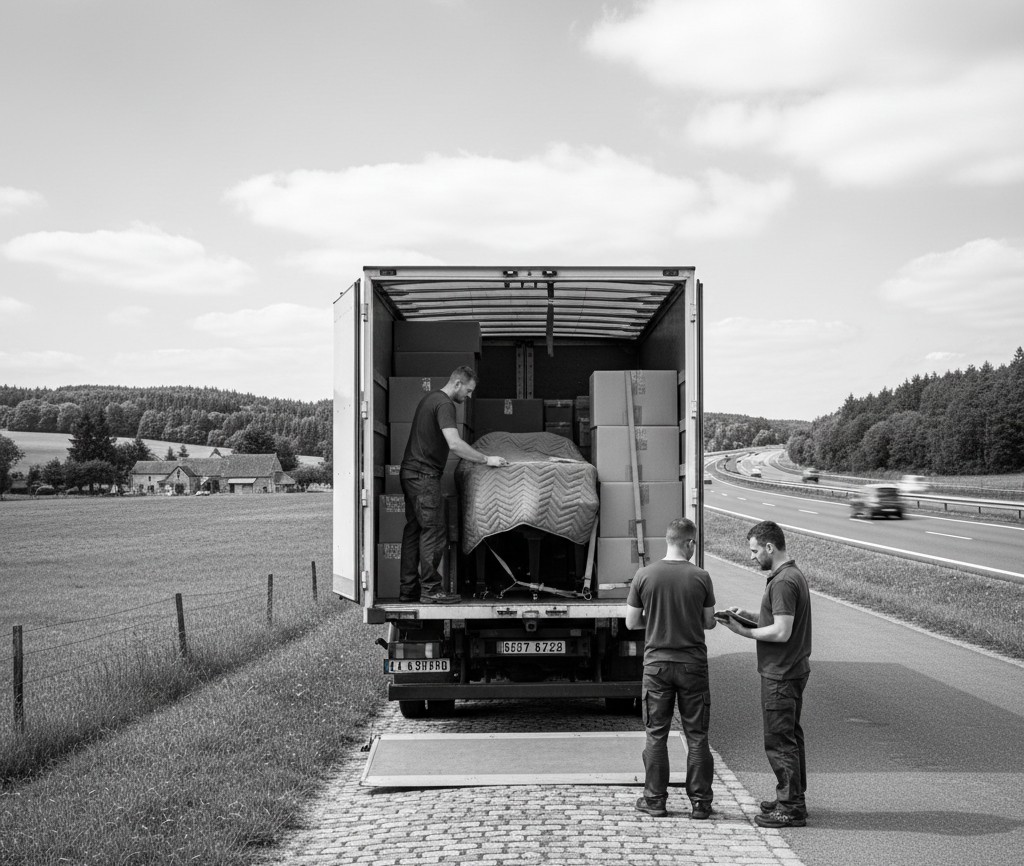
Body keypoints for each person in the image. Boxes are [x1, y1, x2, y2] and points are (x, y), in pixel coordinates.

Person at [721, 520, 812, 828]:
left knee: (779, 741)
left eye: (754, 550)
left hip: (781, 672)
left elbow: (782, 631)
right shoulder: (790, 575)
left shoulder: (784, 581)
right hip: (792, 669)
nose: (751, 557)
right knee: (790, 736)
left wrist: (743, 632)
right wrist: (749, 615)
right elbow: (778, 616)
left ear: (770, 547)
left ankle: (790, 807)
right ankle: (792, 796)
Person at [625, 517, 717, 820]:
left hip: (657, 666)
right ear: (689, 543)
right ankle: (701, 804)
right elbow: (708, 622)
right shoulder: (701, 576)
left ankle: (655, 800)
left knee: (656, 734)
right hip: (692, 665)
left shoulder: (644, 575)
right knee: (697, 736)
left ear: (667, 540)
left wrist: (656, 618)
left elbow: (631, 622)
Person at [399, 366, 507, 604]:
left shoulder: (429, 399)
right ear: (457, 383)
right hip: (424, 476)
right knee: (434, 531)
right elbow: (455, 444)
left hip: (411, 474)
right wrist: (487, 459)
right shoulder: (445, 404)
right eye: (468, 391)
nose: (467, 397)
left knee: (414, 530)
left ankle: (408, 590)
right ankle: (431, 590)